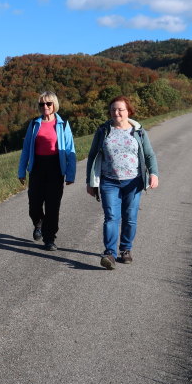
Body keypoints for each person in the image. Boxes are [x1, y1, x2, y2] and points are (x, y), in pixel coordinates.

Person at [86, 95, 159, 269]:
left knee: (130, 218)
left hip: (133, 182)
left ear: (128, 111)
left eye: (120, 109)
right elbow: (92, 156)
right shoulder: (103, 130)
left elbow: (149, 155)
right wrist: (89, 182)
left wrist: (154, 173)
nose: (116, 112)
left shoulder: (139, 131)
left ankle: (125, 249)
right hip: (109, 181)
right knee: (111, 217)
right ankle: (109, 253)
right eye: (113, 109)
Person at [18, 91, 76, 251]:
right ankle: (39, 223)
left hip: (56, 167)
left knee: (52, 206)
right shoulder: (34, 124)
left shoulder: (63, 124)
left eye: (48, 103)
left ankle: (49, 238)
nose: (45, 107)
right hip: (37, 167)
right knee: (34, 205)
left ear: (54, 105)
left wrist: (70, 174)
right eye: (42, 104)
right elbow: (26, 149)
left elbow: (71, 149)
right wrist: (21, 171)